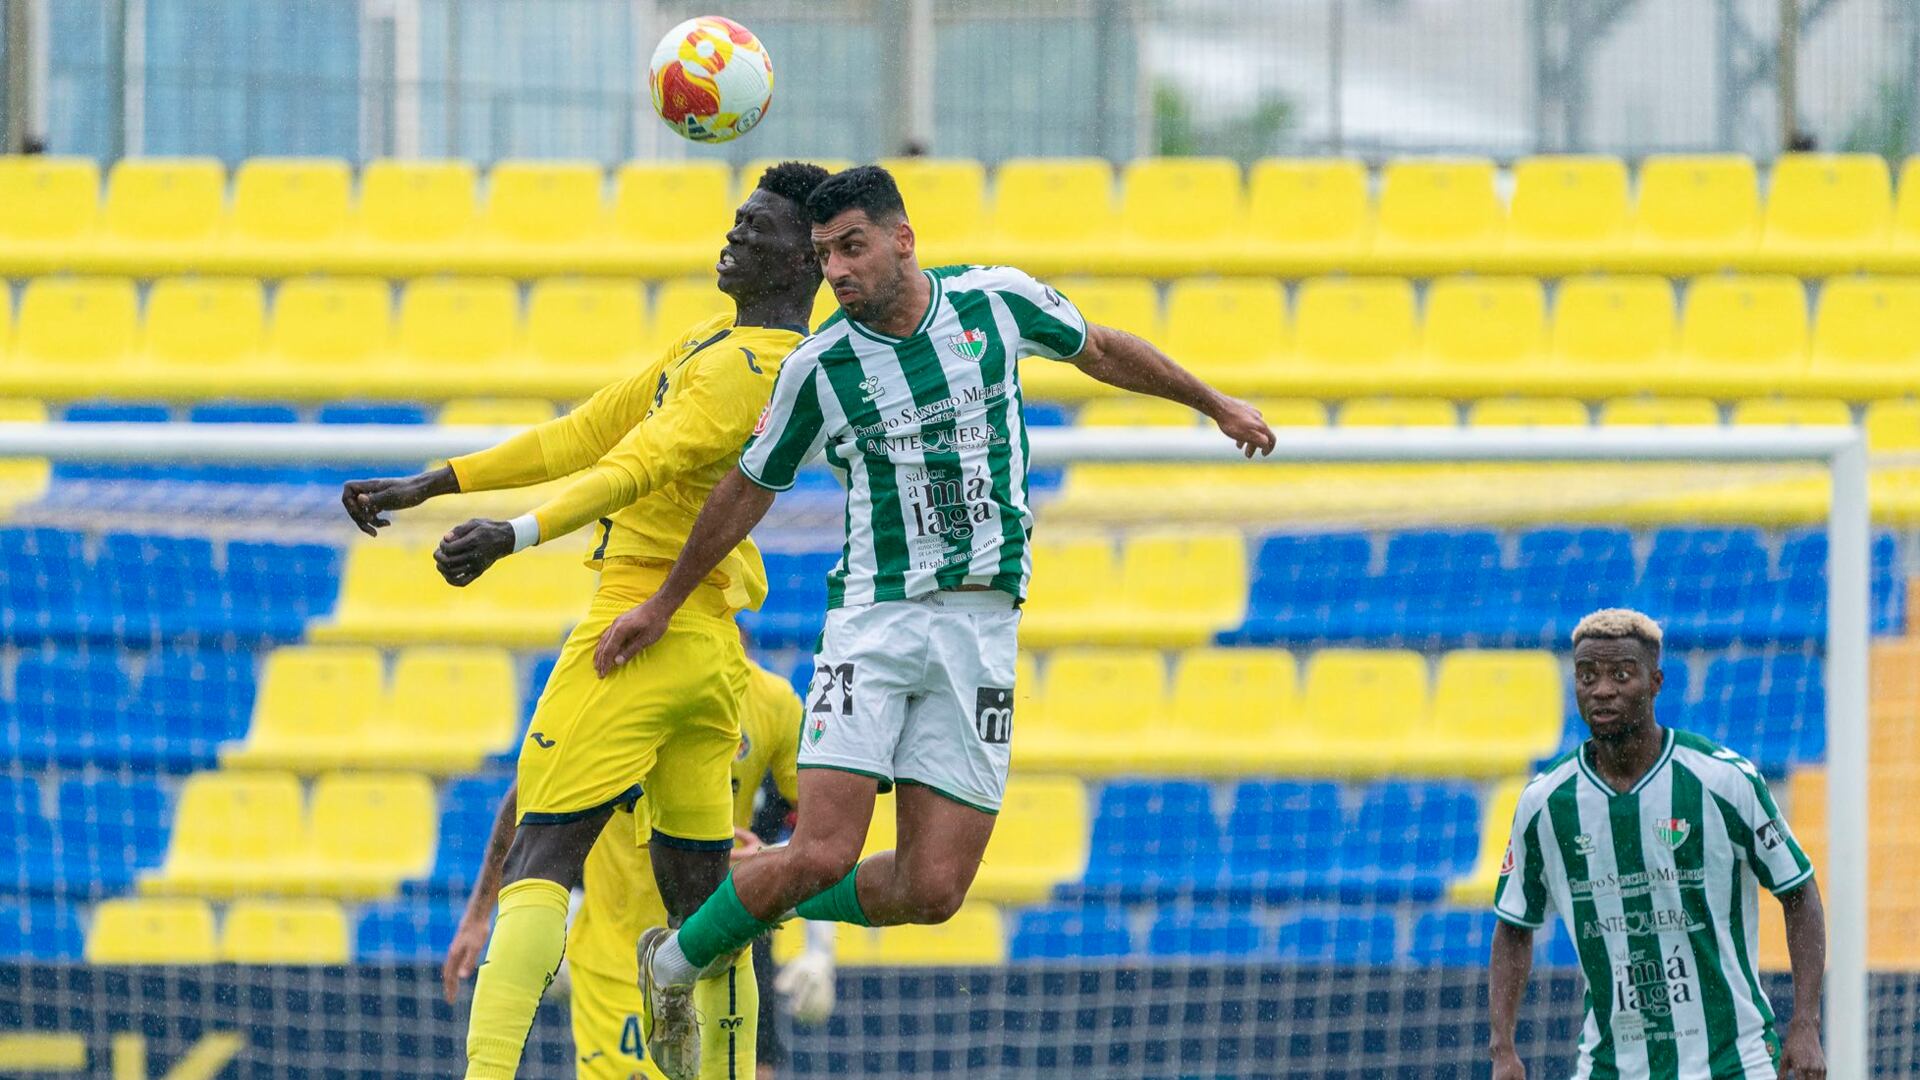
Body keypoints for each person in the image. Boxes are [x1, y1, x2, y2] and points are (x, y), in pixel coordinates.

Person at [591, 163, 1277, 1066]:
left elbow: (1102, 349)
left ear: (902, 239)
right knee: (826, 850)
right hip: (873, 622)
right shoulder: (819, 368)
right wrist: (664, 600)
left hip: (981, 628)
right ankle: (677, 959)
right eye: (824, 255)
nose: (837, 271)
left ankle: (744, 892)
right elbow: (748, 488)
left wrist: (1214, 403)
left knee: (934, 888)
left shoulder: (996, 302)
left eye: (852, 247)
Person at [339, 160, 831, 1080]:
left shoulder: (747, 371)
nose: (734, 232)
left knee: (540, 854)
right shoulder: (718, 344)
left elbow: (632, 467)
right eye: (736, 216)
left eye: (757, 225)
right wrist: (436, 483)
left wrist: (513, 534)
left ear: (806, 258)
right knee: (704, 909)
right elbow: (584, 432)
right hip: (711, 655)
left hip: (632, 630)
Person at [441, 648, 836, 1080]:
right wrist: (478, 916)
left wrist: (814, 935)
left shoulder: (771, 703)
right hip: (614, 962)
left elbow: (821, 832)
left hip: (712, 948)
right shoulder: (617, 693)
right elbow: (526, 799)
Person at [1488, 609, 1827, 1080]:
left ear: (1655, 683)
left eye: (1621, 674)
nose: (1601, 689)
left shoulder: (1723, 780)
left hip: (1731, 1061)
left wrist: (1806, 1023)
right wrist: (1502, 1048)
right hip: (1610, 1065)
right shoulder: (1545, 803)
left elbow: (1799, 891)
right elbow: (1513, 927)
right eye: (1587, 676)